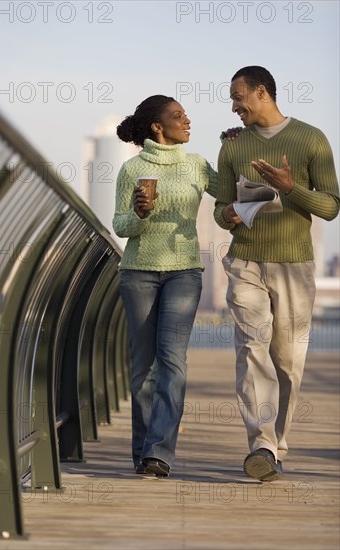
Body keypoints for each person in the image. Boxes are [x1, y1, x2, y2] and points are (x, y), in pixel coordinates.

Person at [214, 66, 340, 481]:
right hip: (245, 259)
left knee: (287, 361)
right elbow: (220, 209)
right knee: (252, 348)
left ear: (262, 92)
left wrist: (290, 187)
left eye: (238, 97)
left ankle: (277, 445)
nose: (233, 107)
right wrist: (229, 213)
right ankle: (262, 444)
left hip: (294, 263)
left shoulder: (311, 139)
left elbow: (330, 207)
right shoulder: (232, 145)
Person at [113, 95, 232, 477]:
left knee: (172, 362)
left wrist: (234, 150)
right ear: (156, 127)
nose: (187, 120)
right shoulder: (132, 169)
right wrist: (139, 214)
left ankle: (158, 454)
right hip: (138, 273)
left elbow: (229, 194)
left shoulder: (197, 165)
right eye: (177, 116)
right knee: (142, 370)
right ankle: (142, 452)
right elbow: (121, 226)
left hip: (184, 271)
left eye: (185, 114)